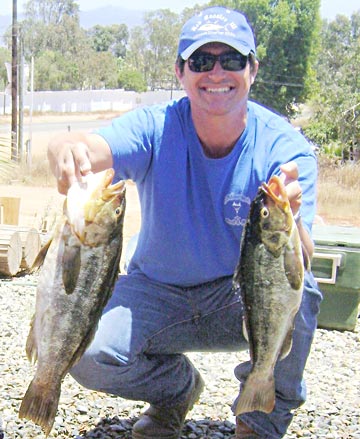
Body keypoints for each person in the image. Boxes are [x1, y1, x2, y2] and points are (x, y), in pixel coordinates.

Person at [47, 6, 322, 439]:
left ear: (252, 68)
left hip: (238, 298)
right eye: (201, 61)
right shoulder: (155, 126)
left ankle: (259, 420)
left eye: (231, 60)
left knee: (300, 289)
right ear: (180, 71)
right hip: (156, 294)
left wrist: (296, 217)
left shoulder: (285, 148)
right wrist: (65, 144)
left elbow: (302, 259)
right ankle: (177, 391)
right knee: (86, 351)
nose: (216, 73)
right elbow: (91, 146)